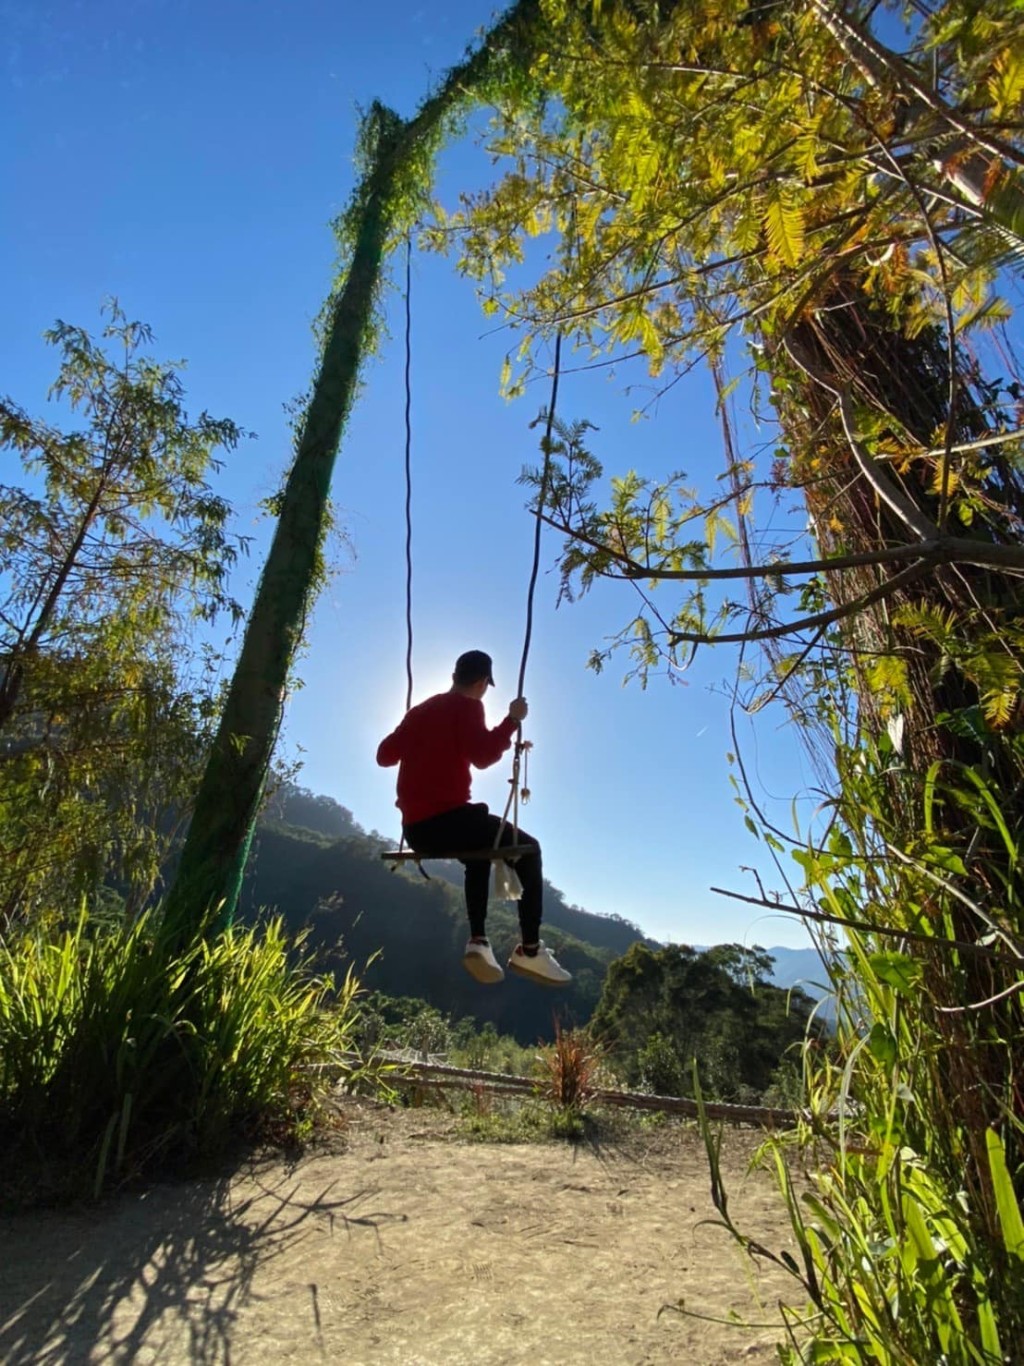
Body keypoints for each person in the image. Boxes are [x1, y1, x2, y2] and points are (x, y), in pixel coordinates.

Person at [376, 649, 572, 987]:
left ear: (454, 675)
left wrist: (408, 729)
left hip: (417, 831)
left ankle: (479, 941)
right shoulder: (468, 706)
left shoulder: (419, 711)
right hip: (448, 821)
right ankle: (529, 949)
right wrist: (511, 720)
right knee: (529, 849)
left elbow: (384, 756)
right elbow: (482, 756)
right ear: (483, 682)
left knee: (477, 855)